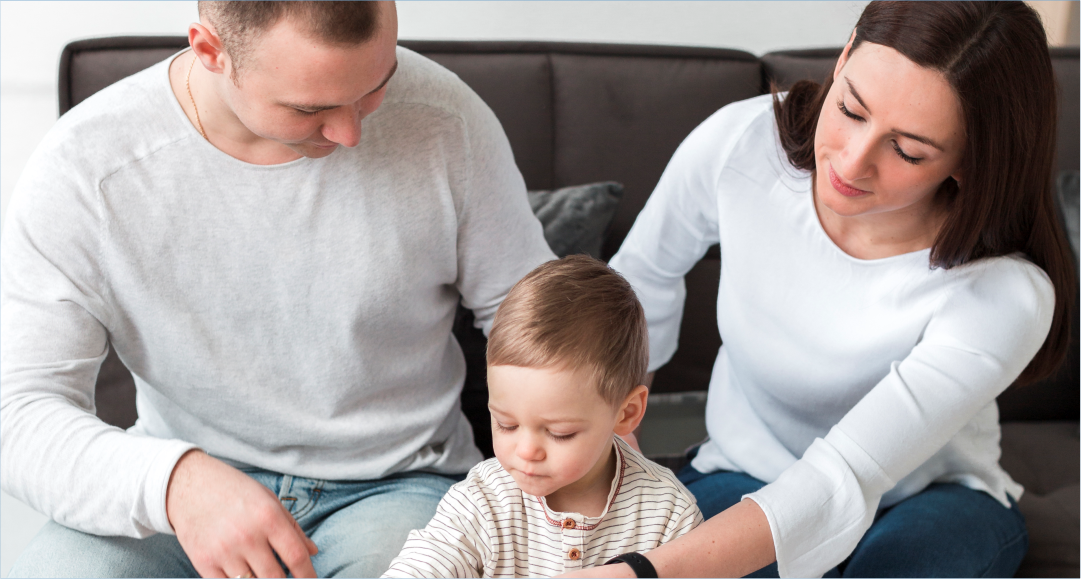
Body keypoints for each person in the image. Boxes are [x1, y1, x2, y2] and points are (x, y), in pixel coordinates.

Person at [0, 2, 555, 577]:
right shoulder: (86, 168)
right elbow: (18, 413)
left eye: (375, 87)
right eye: (308, 109)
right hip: (182, 493)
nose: (350, 134)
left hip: (399, 484)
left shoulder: (448, 119)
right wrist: (175, 483)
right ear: (210, 51)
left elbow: (544, 328)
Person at [585, 2, 1077, 578]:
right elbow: (637, 286)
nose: (851, 161)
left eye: (908, 150)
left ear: (970, 161)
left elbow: (847, 473)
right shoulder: (740, 144)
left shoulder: (1005, 292)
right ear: (843, 58)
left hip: (931, 497)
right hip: (744, 468)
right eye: (850, 108)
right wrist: (622, 461)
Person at [383, 255, 703, 578]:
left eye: (559, 433)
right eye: (506, 424)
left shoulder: (669, 513)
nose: (526, 451)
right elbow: (421, 565)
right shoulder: (483, 498)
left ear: (627, 413)